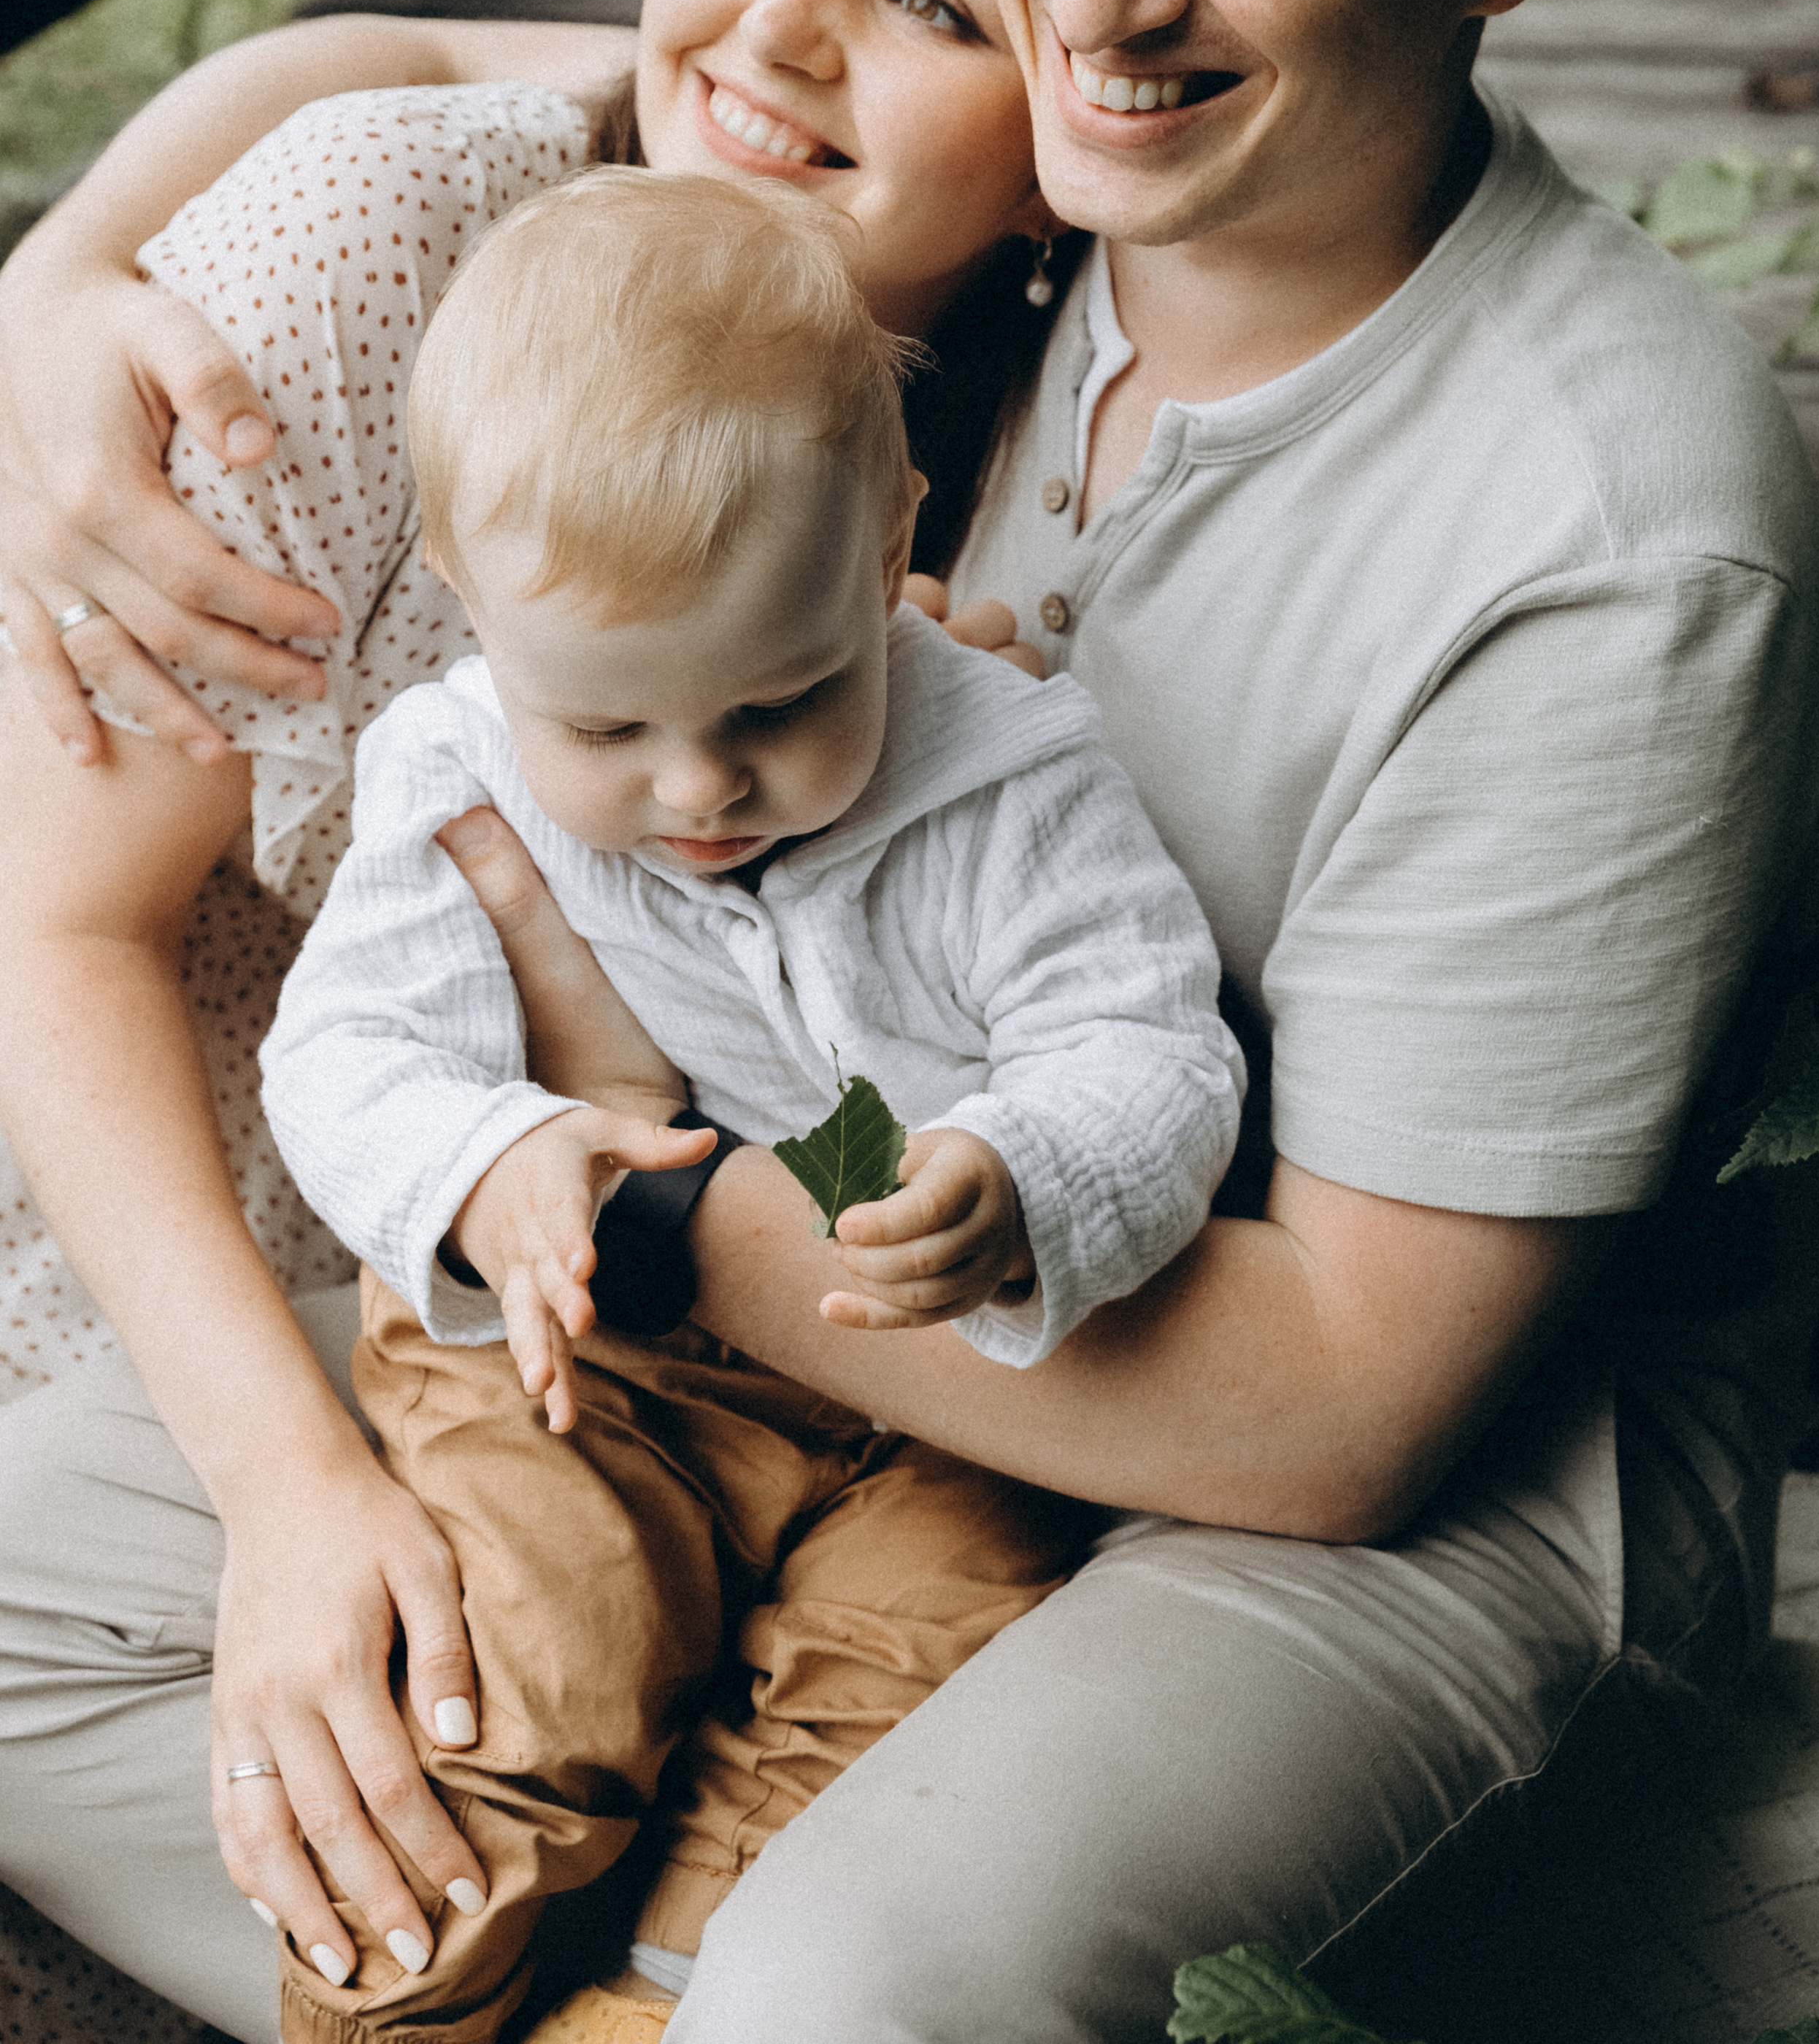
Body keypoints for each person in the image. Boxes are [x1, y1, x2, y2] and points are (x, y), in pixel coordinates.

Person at [0, 0, 1819, 2044]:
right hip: (845, 1303)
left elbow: (1342, 1412)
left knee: (846, 1993)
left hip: (1371, 1480)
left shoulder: (1611, 548)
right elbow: (612, 86)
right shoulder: (1036, 217)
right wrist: (70, 265)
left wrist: (617, 1190)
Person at [0, 0, 1058, 2044]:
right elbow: (57, 930)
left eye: (933, 0)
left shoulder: (1055, 438)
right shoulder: (385, 262)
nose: (778, 34)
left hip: (694, 1309)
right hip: (178, 1216)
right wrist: (286, 1491)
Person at [258, 164, 1239, 2039]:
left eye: (780, 702)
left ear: (887, 546)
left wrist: (1022, 1165)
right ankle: (402, 2006)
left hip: (937, 1398)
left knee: (893, 1697)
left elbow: (1148, 1043)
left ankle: (661, 2009)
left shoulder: (1012, 780)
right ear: (471, 602)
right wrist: (494, 1157)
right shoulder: (456, 773)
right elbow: (346, 1054)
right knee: (520, 1677)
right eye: (608, 728)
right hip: (574, 1355)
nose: (700, 788)